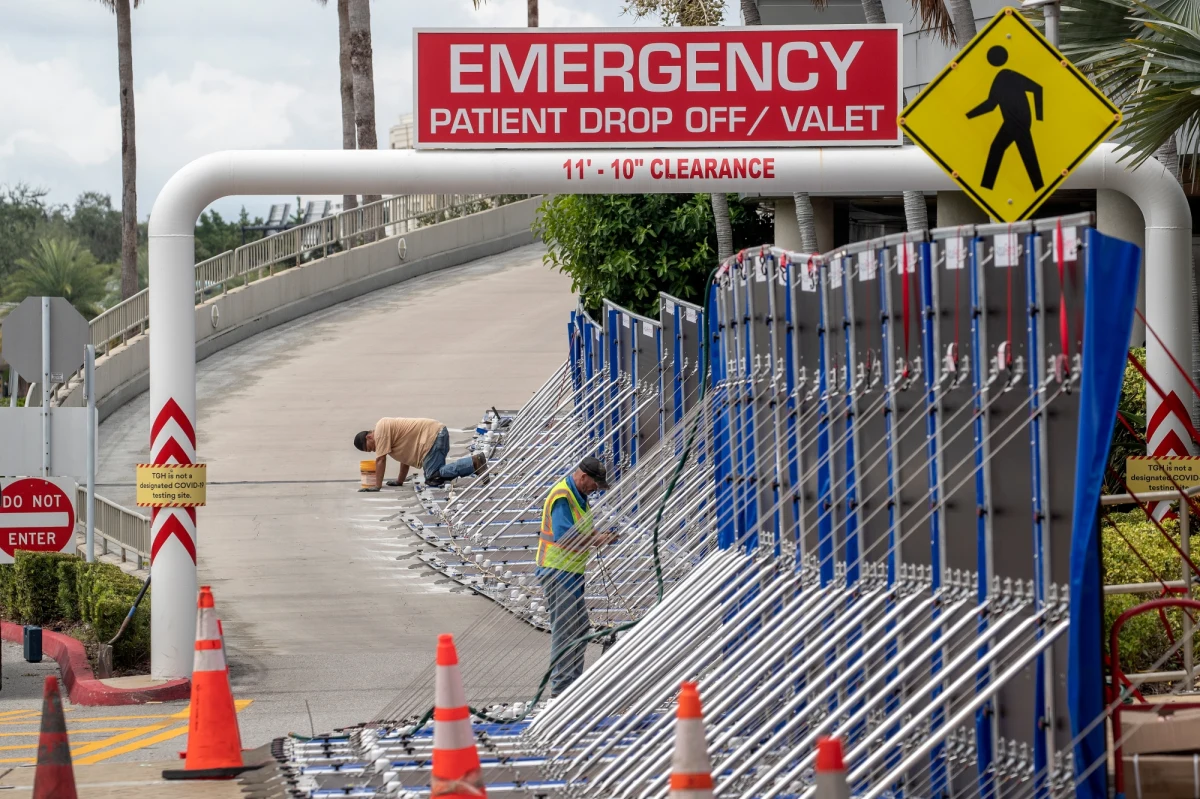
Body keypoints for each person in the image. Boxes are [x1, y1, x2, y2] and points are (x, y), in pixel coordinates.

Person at [536, 456, 618, 697]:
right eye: (595, 484)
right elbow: (565, 537)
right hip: (557, 572)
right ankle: (561, 692)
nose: (596, 489)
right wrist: (596, 541)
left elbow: (583, 528)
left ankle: (572, 686)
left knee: (580, 630)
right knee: (565, 633)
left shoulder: (579, 496)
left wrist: (600, 536)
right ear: (583, 477)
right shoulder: (563, 497)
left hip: (571, 573)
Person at [354, 418, 486, 491]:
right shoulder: (391, 440)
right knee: (436, 479)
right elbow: (404, 460)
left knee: (432, 477)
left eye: (370, 448)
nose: (373, 451)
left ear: (369, 437)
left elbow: (380, 460)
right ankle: (471, 466)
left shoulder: (381, 429)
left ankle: (473, 463)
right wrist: (399, 481)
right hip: (435, 437)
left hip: (433, 437)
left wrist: (377, 486)